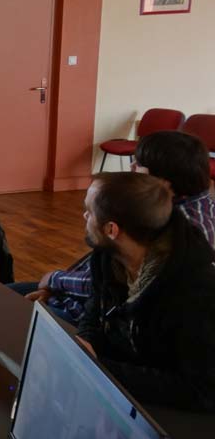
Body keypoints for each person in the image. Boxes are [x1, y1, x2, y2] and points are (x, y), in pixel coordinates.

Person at [21, 130, 215, 321]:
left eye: (139, 165)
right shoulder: (194, 204)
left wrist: (54, 281)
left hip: (88, 312)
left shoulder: (180, 230)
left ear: (162, 183)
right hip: (75, 297)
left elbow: (114, 288)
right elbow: (103, 269)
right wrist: (54, 284)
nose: (131, 166)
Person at [76, 173, 215, 411]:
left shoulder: (197, 291)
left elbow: (198, 389)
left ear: (111, 229)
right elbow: (95, 309)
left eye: (89, 211)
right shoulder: (107, 257)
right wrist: (84, 344)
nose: (84, 217)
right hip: (128, 384)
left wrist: (100, 367)